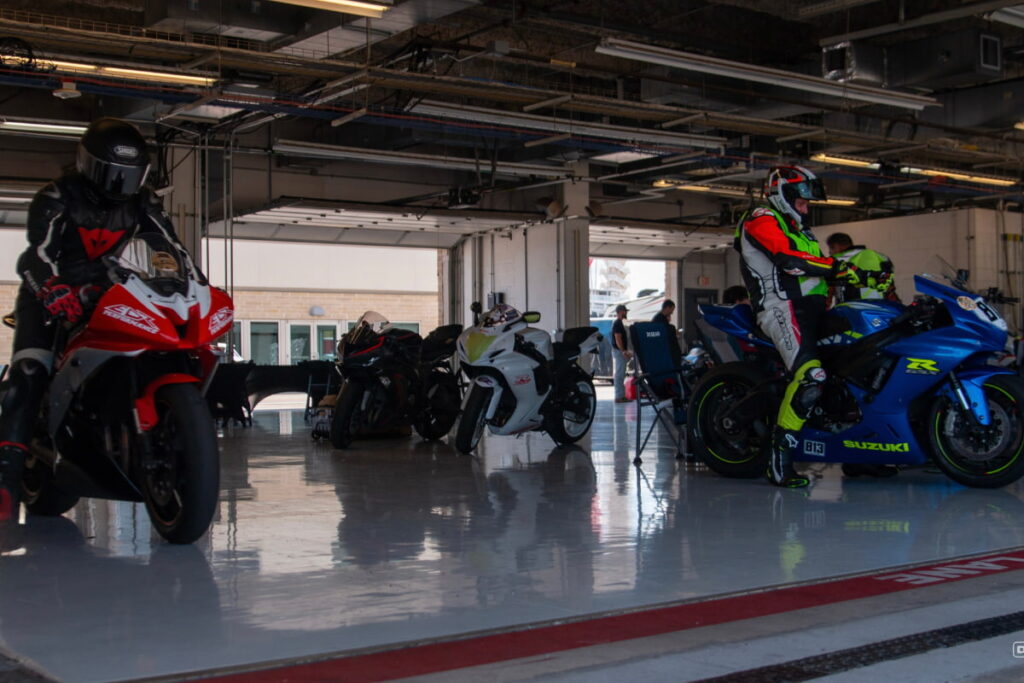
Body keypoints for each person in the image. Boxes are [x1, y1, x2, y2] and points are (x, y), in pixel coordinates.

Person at [0, 118, 192, 526]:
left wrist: (192, 283)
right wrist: (52, 290)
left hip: (107, 291)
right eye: (111, 173)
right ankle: (6, 480)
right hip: (48, 292)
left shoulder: (142, 202)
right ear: (88, 165)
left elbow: (171, 247)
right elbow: (36, 255)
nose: (120, 184)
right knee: (30, 371)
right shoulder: (57, 195)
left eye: (129, 175)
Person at [736, 165, 856, 488]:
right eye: (801, 201)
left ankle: (860, 456)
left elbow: (819, 272)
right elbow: (789, 260)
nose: (806, 208)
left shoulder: (802, 229)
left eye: (807, 202)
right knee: (811, 376)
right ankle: (779, 461)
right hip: (780, 308)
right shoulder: (761, 217)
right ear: (783, 195)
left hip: (814, 311)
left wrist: (860, 275)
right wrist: (835, 268)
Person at [826, 232, 898, 304]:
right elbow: (890, 287)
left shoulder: (838, 260)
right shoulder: (881, 257)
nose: (829, 252)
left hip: (851, 307)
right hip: (881, 306)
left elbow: (829, 292)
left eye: (831, 249)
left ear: (837, 246)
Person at [611, 304, 632, 403]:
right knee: (619, 374)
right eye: (625, 311)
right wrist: (623, 351)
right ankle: (619, 396)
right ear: (620, 312)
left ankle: (621, 396)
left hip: (619, 351)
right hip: (619, 351)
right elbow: (618, 338)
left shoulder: (619, 323)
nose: (626, 313)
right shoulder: (617, 323)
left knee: (621, 374)